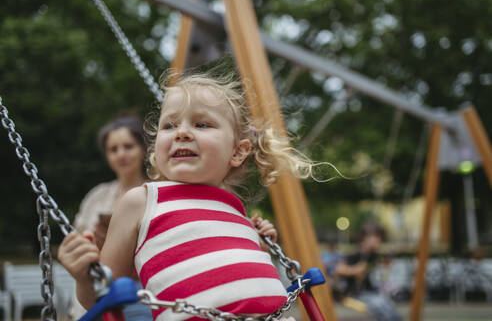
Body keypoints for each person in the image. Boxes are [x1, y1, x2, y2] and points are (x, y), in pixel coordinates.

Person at [58, 71, 320, 320]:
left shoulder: (235, 209)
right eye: (169, 125)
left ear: (238, 152)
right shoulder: (143, 200)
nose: (181, 132)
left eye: (201, 124)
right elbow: (103, 296)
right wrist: (83, 276)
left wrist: (258, 246)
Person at [70, 114, 152, 320]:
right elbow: (77, 239)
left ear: (142, 148)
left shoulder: (154, 192)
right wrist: (93, 240)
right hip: (96, 291)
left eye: (128, 146)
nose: (121, 154)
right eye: (113, 150)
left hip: (142, 294)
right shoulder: (97, 196)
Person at [333, 223, 402, 321]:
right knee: (381, 306)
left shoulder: (374, 255)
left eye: (379, 237)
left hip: (372, 293)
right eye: (376, 237)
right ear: (364, 238)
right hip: (355, 294)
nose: (378, 240)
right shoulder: (355, 254)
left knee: (391, 310)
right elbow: (338, 269)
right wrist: (355, 270)